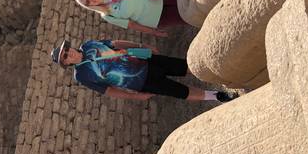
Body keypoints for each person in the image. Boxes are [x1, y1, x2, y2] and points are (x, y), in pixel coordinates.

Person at [50, 39, 239, 102]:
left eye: (67, 50)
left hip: (143, 59)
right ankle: (216, 96)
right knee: (179, 91)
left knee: (183, 67)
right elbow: (108, 90)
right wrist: (135, 96)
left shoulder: (89, 45)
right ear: (67, 64)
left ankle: (219, 72)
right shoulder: (81, 75)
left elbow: (115, 43)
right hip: (140, 82)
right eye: (65, 57)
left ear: (71, 47)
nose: (69, 54)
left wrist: (141, 46)